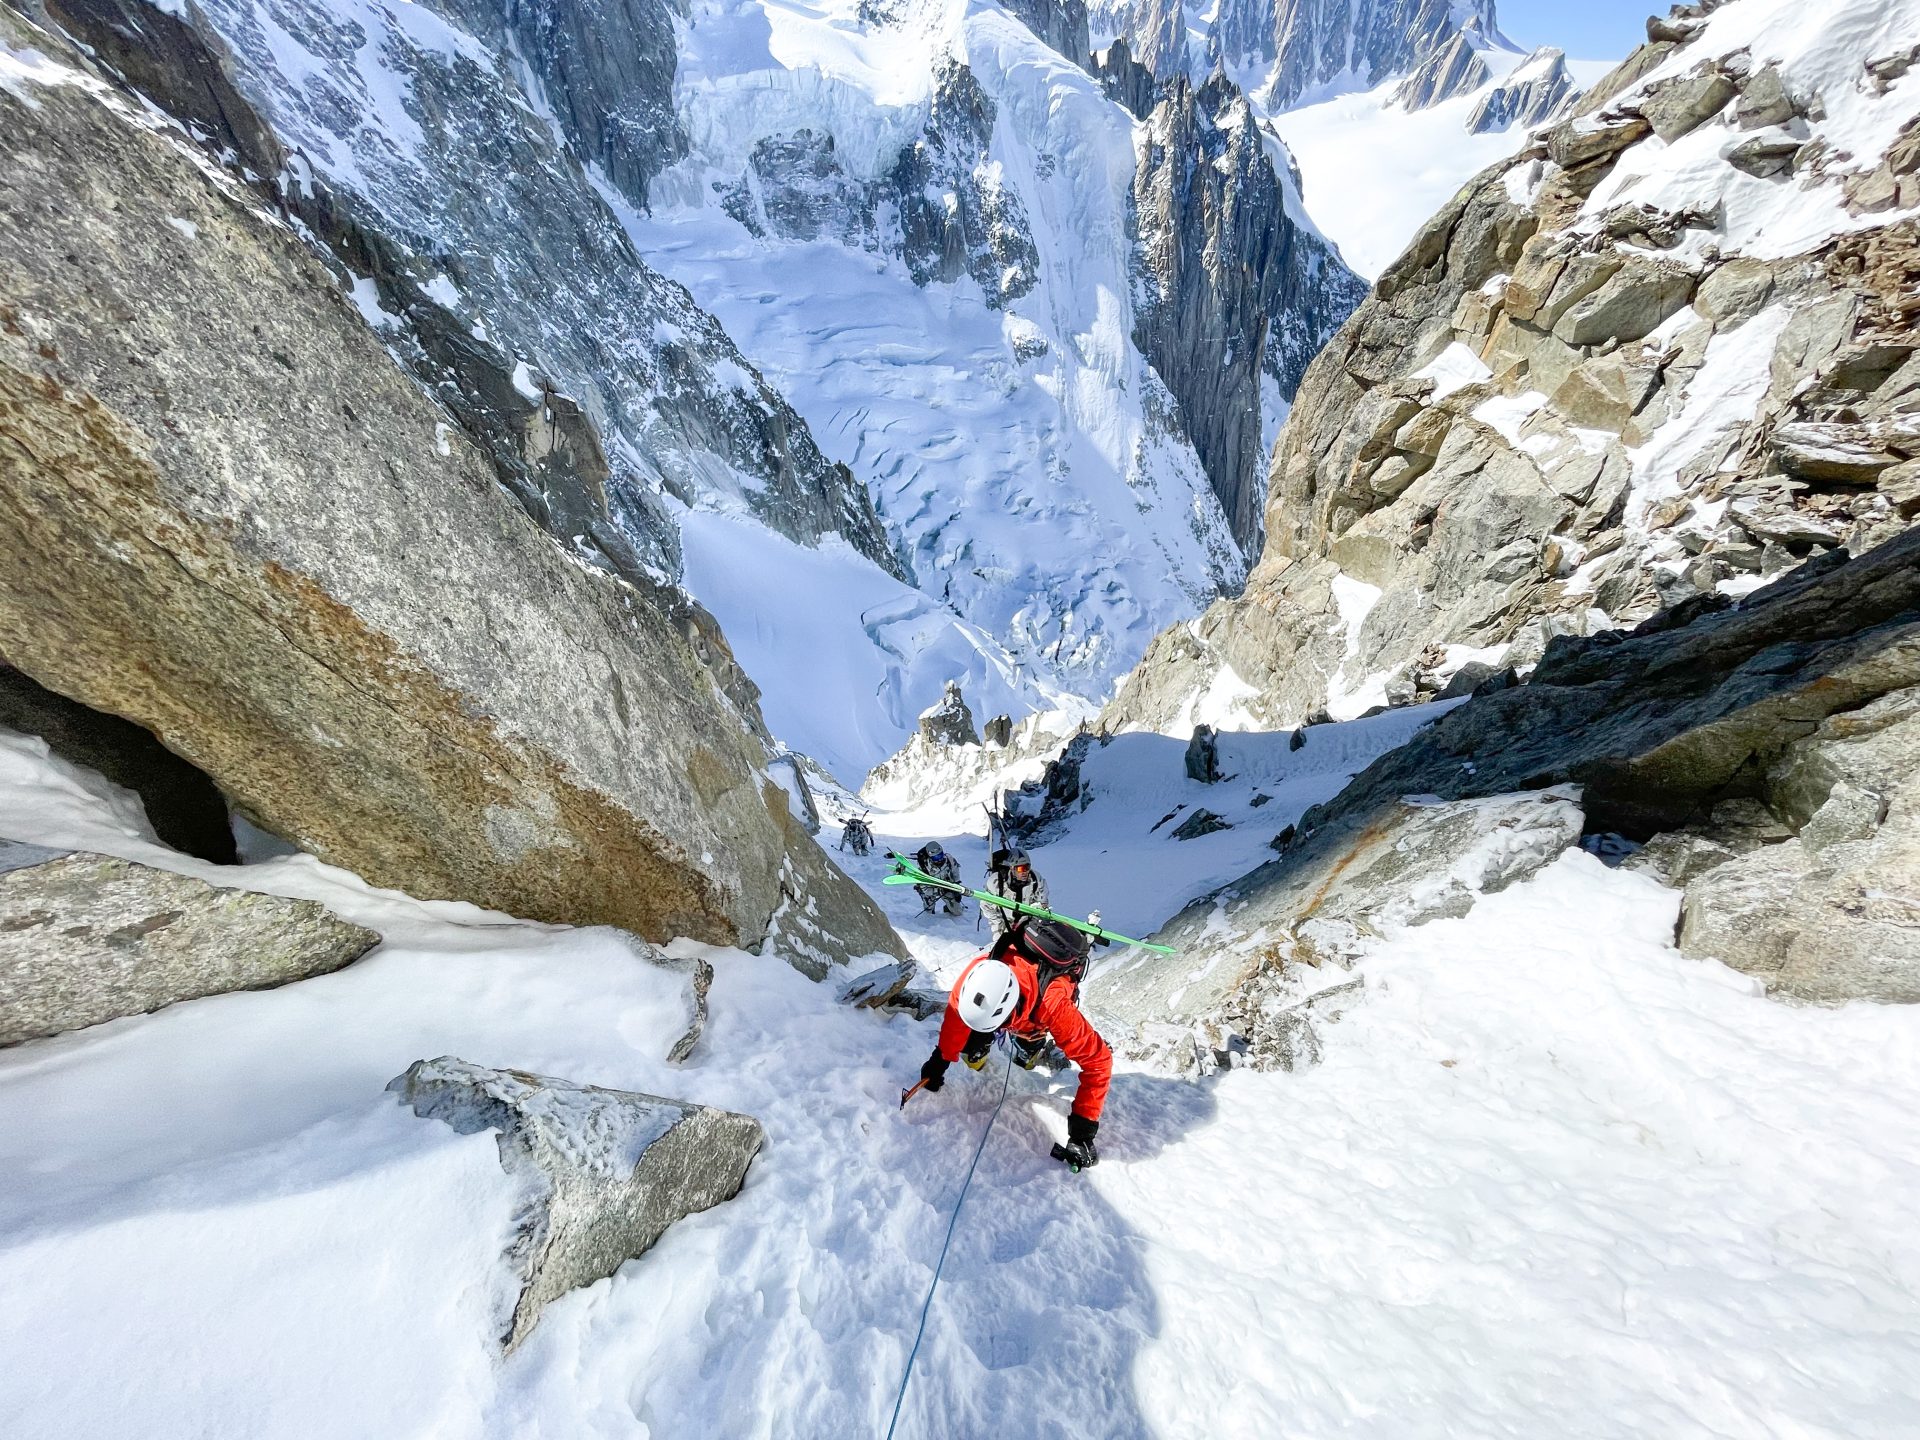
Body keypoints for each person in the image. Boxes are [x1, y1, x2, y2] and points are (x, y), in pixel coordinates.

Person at [915, 919, 1110, 1169]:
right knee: (970, 1046)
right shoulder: (979, 974)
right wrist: (940, 1059)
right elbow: (956, 1016)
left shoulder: (1054, 1006)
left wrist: (1082, 1134)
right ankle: (982, 1048)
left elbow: (1099, 1062)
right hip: (1022, 1008)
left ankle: (1029, 1055)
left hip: (1035, 1022)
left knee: (1027, 1053)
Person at [983, 847, 1047, 936]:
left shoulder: (1036, 879)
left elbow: (1043, 903)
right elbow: (987, 907)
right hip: (1006, 923)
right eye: (1020, 868)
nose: (1025, 872)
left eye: (1027, 867)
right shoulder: (996, 882)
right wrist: (999, 929)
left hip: (1029, 923)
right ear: (1012, 868)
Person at [913, 841, 963, 916]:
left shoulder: (949, 860)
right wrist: (940, 890)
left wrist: (956, 889)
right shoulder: (924, 869)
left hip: (946, 886)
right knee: (928, 913)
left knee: (957, 912)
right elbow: (925, 889)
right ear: (930, 857)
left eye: (940, 855)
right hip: (930, 889)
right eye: (936, 857)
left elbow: (955, 873)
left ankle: (948, 908)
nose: (939, 859)